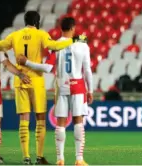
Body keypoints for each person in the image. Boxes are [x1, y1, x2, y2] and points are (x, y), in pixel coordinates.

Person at [0, 11, 87, 165]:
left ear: (25, 21)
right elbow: (55, 45)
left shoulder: (15, 35)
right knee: (40, 119)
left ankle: (26, 157)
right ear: (37, 21)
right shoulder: (41, 34)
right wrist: (73, 39)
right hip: (36, 80)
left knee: (24, 120)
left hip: (20, 81)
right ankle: (39, 157)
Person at [17, 17, 93, 166]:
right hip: (78, 86)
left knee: (60, 123)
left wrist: (27, 62)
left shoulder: (55, 45)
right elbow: (87, 71)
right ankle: (79, 159)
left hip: (62, 86)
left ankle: (60, 159)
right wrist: (90, 90)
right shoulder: (83, 46)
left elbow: (47, 68)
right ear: (73, 28)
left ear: (60, 29)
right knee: (78, 122)